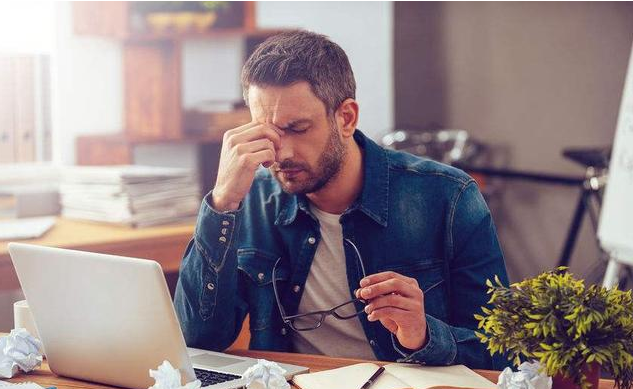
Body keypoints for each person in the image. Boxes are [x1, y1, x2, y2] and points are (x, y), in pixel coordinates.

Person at [174, 30, 509, 369]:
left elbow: (503, 354)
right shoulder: (252, 197)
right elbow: (198, 341)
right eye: (268, 131)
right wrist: (222, 203)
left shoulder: (449, 197)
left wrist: (424, 335)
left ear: (346, 118)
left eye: (298, 128)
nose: (282, 153)